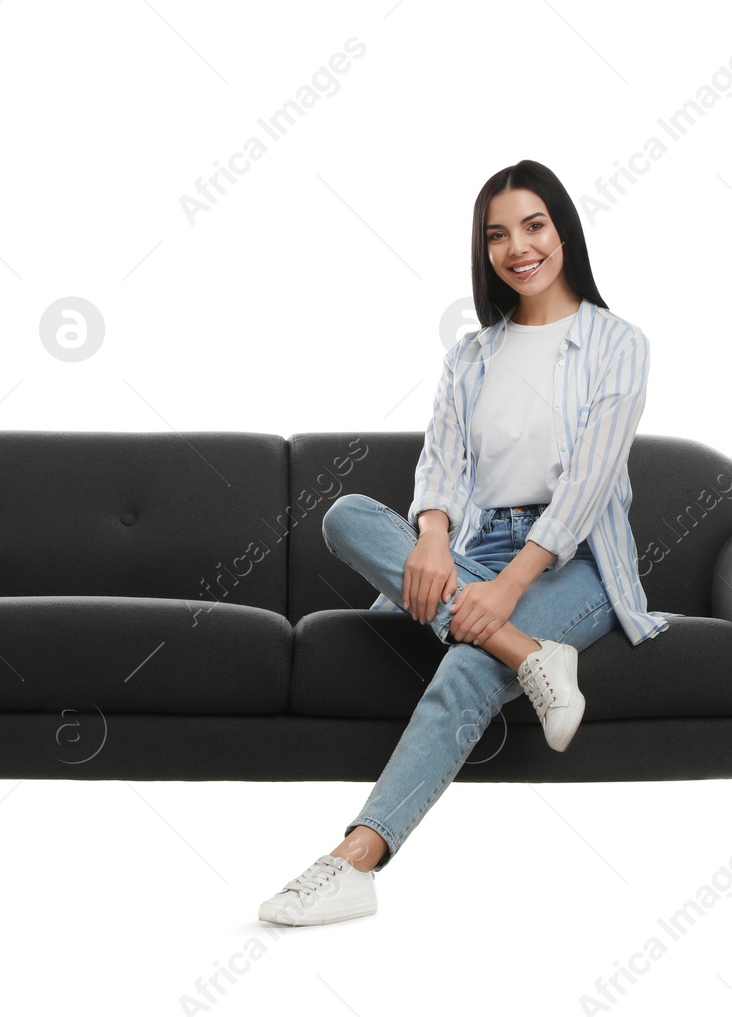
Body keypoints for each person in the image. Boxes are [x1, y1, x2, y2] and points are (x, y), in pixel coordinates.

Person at [258, 159, 676, 927]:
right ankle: (533, 657)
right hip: (475, 547)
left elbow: (586, 488)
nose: (517, 247)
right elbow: (440, 463)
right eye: (496, 234)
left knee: (469, 661)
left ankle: (355, 860)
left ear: (563, 231)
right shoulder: (472, 353)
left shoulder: (620, 345)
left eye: (534, 225)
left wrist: (508, 589)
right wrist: (433, 538)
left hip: (572, 563)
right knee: (347, 511)